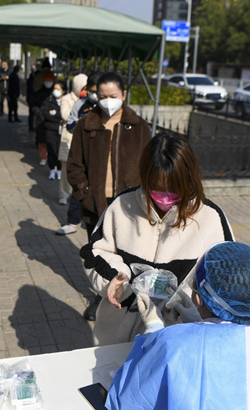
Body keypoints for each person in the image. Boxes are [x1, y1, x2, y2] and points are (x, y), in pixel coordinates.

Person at [105, 242, 250, 410]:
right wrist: (198, 323)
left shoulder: (174, 344)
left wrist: (154, 330)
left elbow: (125, 399)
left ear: (198, 298)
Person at [79, 131, 234, 343]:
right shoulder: (122, 205)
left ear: (189, 178)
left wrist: (183, 305)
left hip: (179, 336)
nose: (165, 195)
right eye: (157, 188)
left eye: (174, 188)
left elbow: (226, 279)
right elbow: (95, 251)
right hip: (117, 334)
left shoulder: (211, 217)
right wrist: (114, 279)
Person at [68, 72, 152, 321]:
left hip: (128, 205)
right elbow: (74, 165)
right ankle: (100, 296)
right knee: (99, 256)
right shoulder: (86, 125)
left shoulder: (138, 127)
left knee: (128, 253)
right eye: (102, 96)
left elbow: (149, 166)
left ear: (123, 95)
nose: (107, 101)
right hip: (95, 204)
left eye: (113, 96)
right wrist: (85, 194)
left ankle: (130, 297)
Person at [56, 73, 99, 238]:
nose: (95, 95)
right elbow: (70, 125)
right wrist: (85, 122)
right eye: (92, 91)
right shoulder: (80, 104)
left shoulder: (107, 107)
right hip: (83, 154)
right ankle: (72, 222)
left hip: (102, 159)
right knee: (79, 188)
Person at [58, 74, 87, 203]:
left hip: (82, 139)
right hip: (68, 138)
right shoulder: (66, 99)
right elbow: (64, 114)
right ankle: (63, 195)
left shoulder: (88, 100)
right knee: (65, 169)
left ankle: (77, 195)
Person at [40, 81, 67, 179]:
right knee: (51, 150)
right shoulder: (49, 100)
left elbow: (64, 116)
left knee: (60, 150)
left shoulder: (65, 101)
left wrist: (55, 114)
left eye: (58, 89)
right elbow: (46, 114)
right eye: (54, 89)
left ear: (63, 91)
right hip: (50, 129)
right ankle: (52, 170)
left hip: (61, 130)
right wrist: (57, 116)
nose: (55, 91)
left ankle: (59, 170)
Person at [32, 70, 55, 166]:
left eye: (50, 80)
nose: (48, 82)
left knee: (52, 141)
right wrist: (40, 113)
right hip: (41, 121)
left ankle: (51, 157)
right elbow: (33, 106)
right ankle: (43, 157)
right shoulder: (39, 93)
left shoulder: (55, 92)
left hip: (53, 121)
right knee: (42, 141)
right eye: (47, 80)